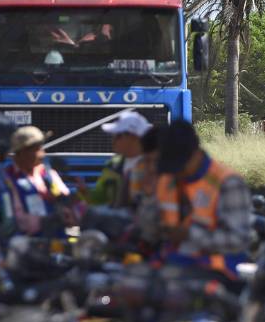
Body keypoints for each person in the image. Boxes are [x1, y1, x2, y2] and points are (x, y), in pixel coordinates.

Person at [139, 120, 251, 279]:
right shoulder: (167, 178)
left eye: (180, 167)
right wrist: (148, 196)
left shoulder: (227, 182)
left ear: (196, 153)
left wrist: (190, 234)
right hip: (172, 263)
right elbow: (148, 233)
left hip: (217, 271)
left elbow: (238, 240)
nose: (177, 173)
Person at [0, 125, 78, 238]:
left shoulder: (49, 174)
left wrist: (70, 210)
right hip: (25, 245)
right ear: (21, 152)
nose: (42, 154)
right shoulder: (8, 178)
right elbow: (15, 218)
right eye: (37, 149)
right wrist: (43, 221)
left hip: (56, 241)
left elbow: (64, 198)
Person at [87, 109, 151, 208]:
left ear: (133, 137)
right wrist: (84, 193)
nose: (113, 140)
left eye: (118, 136)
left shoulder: (152, 167)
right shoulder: (112, 165)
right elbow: (99, 198)